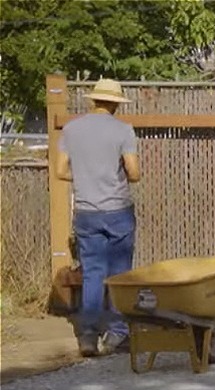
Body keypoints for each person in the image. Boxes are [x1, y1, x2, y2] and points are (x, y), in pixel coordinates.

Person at [55, 78, 140, 357]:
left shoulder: (71, 129)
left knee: (92, 272)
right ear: (115, 103)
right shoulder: (123, 130)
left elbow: (60, 170)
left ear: (93, 100)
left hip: (86, 210)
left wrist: (85, 177)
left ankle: (88, 335)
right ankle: (117, 333)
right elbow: (135, 172)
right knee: (119, 273)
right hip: (117, 209)